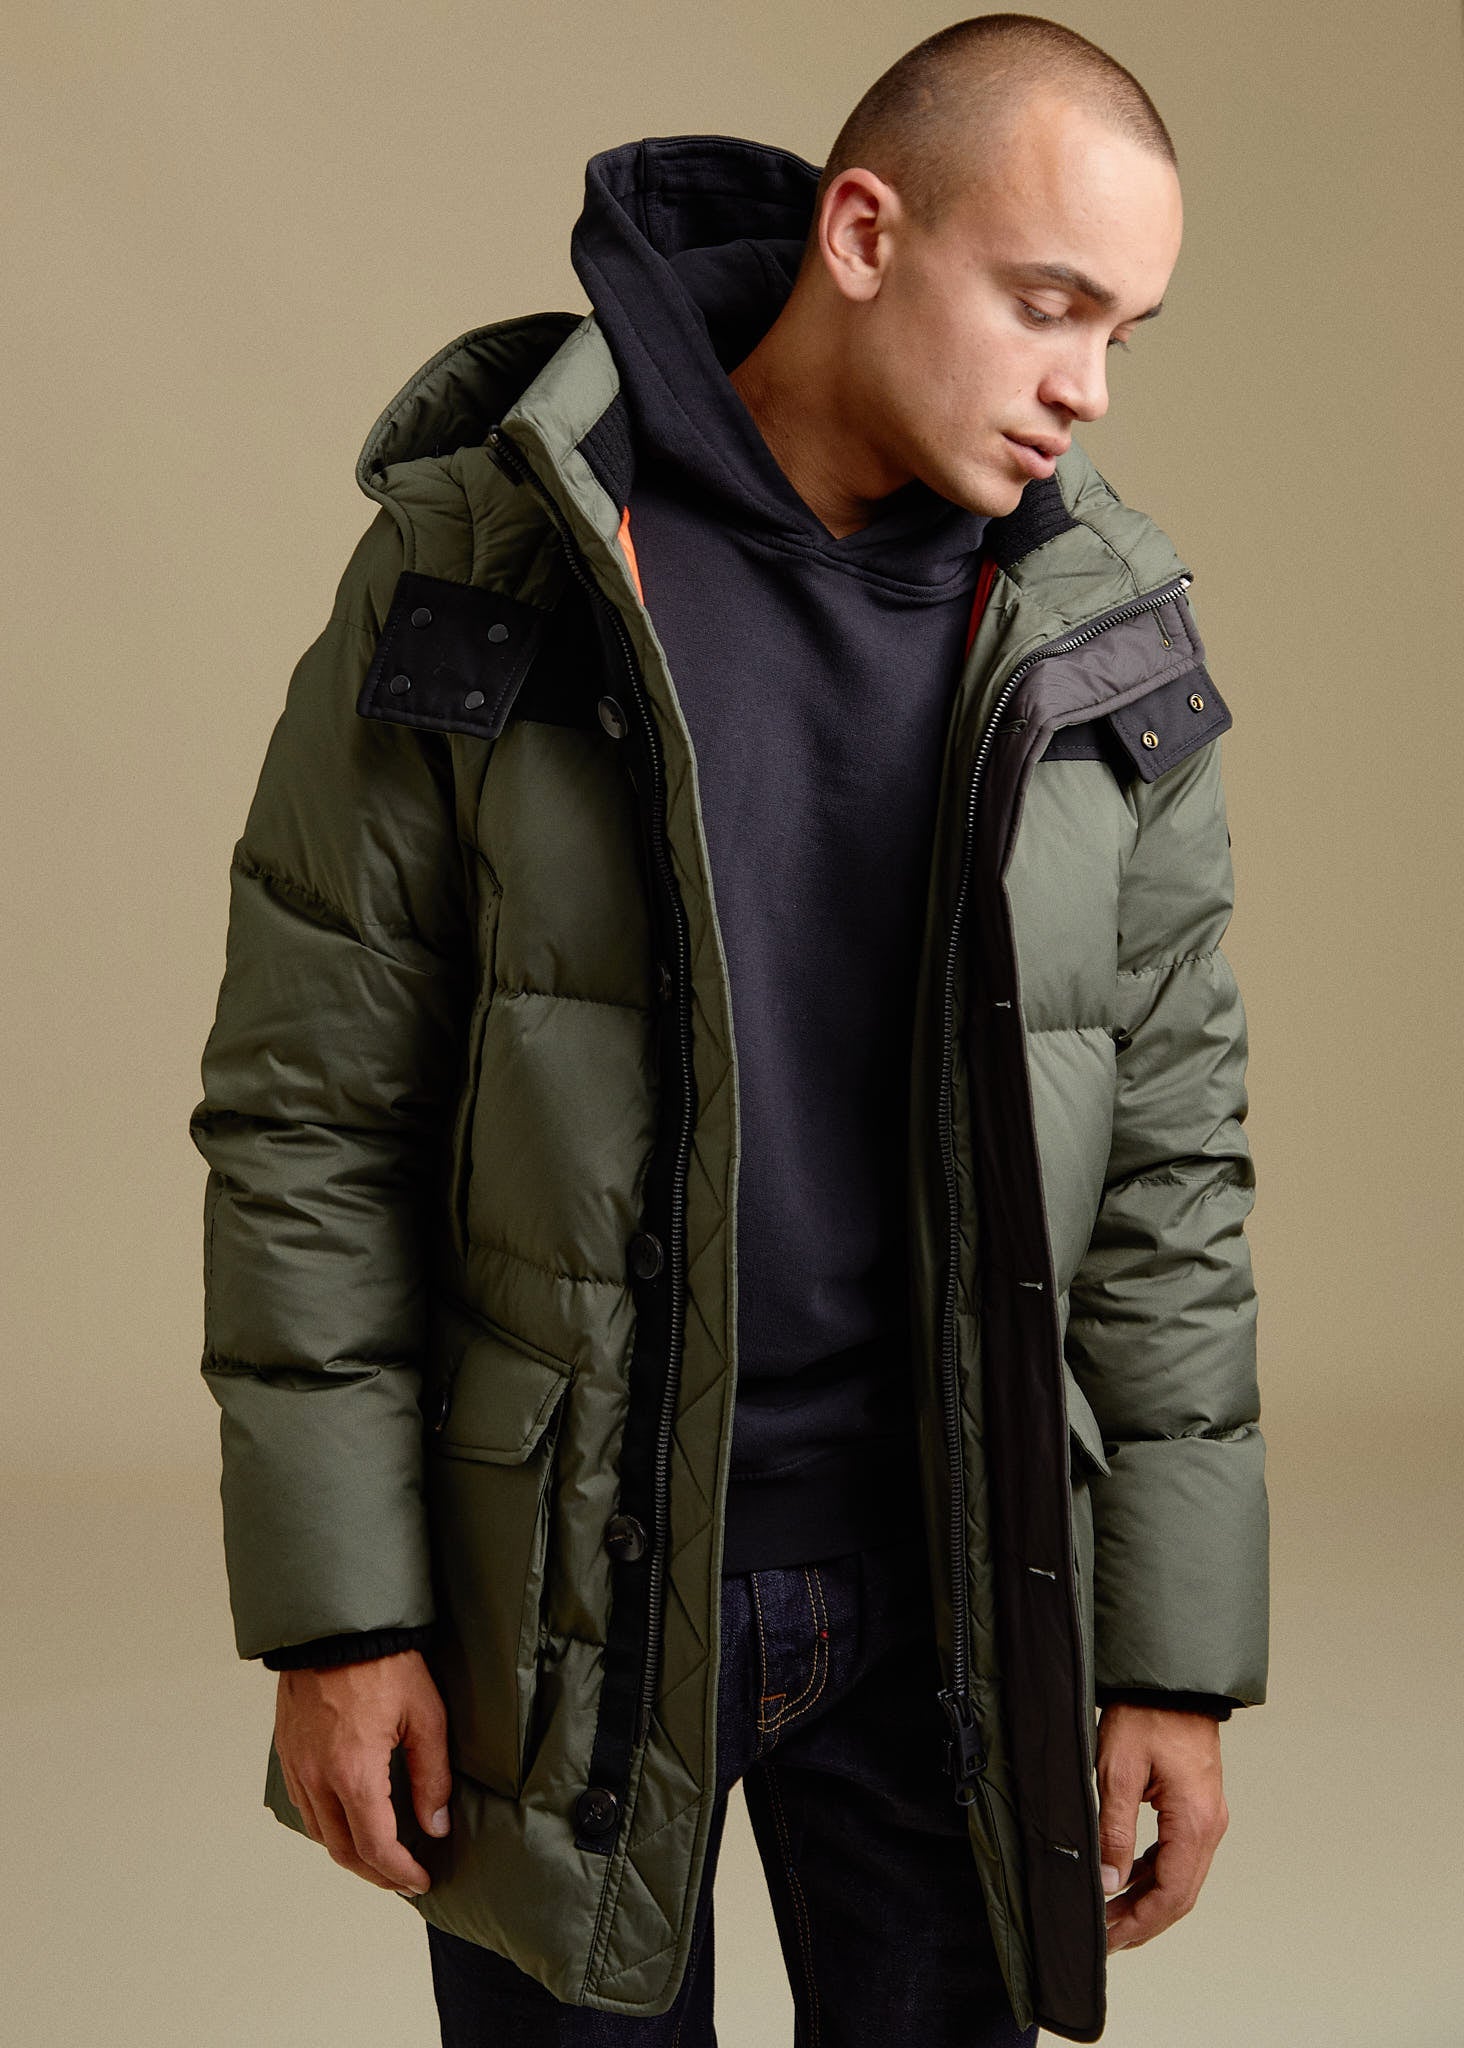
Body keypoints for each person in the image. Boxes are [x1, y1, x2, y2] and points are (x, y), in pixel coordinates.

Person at [189, 13, 1268, 2045]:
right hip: (562, 1599)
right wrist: (343, 1616)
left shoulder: (1102, 639)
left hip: (961, 1596)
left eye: (1124, 330)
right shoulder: (492, 560)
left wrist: (1167, 1656)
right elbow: (309, 1119)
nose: (1088, 387)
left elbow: (1170, 1181)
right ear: (862, 233)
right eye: (1049, 306)